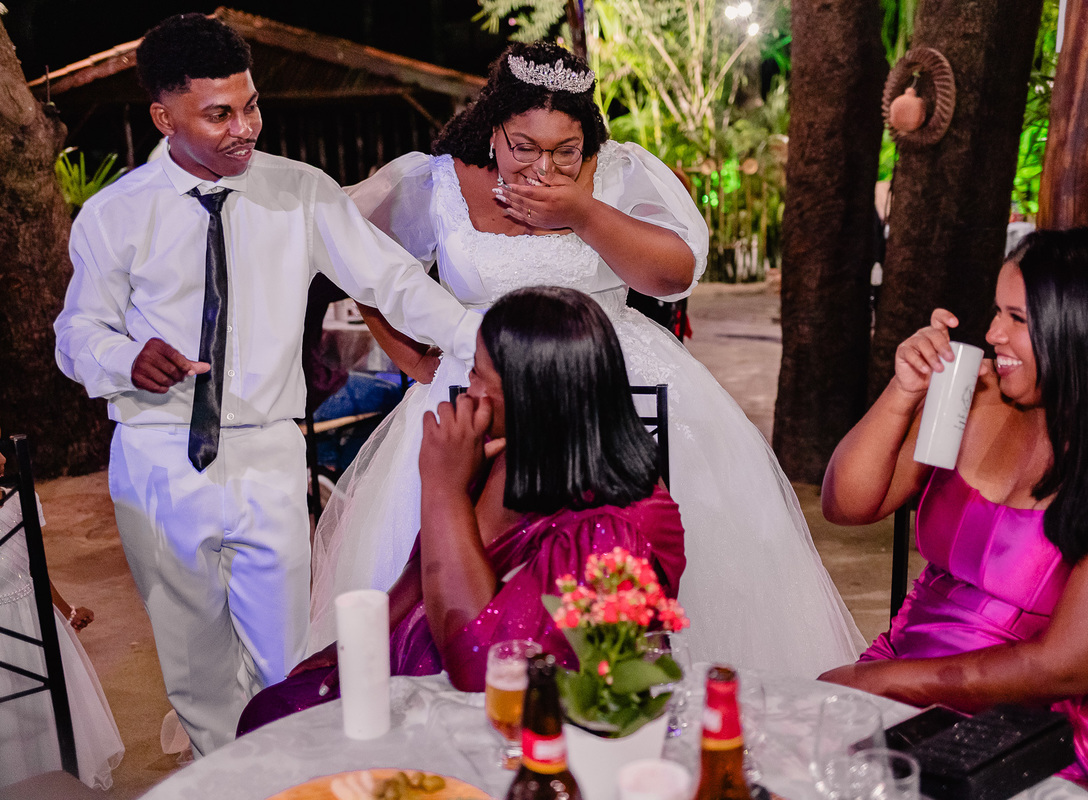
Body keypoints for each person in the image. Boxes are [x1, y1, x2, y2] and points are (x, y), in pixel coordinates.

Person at [309, 42, 865, 677]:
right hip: (486, 390)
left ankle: (634, 687)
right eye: (525, 146)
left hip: (613, 381)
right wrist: (412, 359)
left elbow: (673, 275)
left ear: (587, 138)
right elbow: (355, 260)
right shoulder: (435, 181)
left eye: (564, 151)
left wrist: (583, 210)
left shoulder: (620, 173)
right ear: (495, 131)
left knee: (645, 560)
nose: (544, 164)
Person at [53, 14, 480, 755]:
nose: (244, 126)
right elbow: (75, 334)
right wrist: (125, 359)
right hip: (157, 462)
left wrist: (486, 343)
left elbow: (395, 283)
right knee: (195, 672)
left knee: (289, 660)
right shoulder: (112, 217)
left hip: (269, 460)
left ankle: (295, 777)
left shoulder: (302, 194)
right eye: (219, 113)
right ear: (164, 116)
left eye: (250, 105)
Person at [818, 227, 1088, 799]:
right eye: (997, 312)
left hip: (1034, 721)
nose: (993, 333)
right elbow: (846, 505)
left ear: (1085, 328)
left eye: (1017, 319)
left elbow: (1061, 668)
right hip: (903, 667)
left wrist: (880, 681)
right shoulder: (980, 394)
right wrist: (903, 392)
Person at [236, 287, 686, 732]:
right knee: (269, 710)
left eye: (477, 374)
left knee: (276, 724)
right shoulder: (509, 454)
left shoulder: (618, 526)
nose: (466, 390)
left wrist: (442, 487)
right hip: (435, 645)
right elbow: (421, 573)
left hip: (526, 708)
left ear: (532, 393)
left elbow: (484, 672)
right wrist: (345, 651)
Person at [0, 436, 125, 789]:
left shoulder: (19, 499)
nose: (1, 456)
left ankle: (57, 780)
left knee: (47, 706)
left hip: (31, 616)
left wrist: (66, 611)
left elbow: (34, 568)